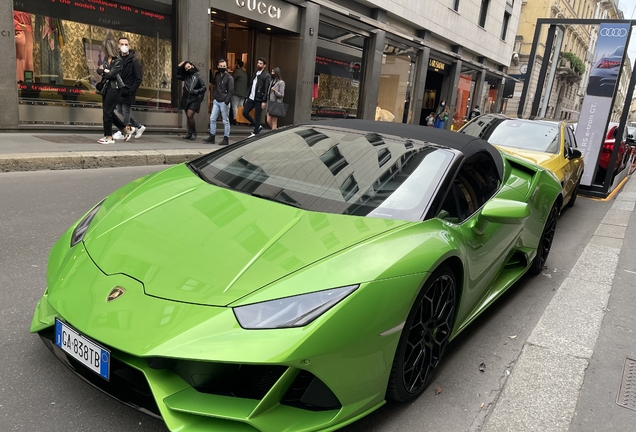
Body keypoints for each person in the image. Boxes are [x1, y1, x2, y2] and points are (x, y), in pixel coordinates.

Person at [112, 37, 146, 141]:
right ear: (118, 45)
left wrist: (131, 90)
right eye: (122, 44)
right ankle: (138, 126)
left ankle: (124, 131)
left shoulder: (134, 61)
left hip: (128, 90)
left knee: (126, 111)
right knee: (119, 110)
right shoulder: (117, 59)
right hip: (119, 89)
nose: (124, 46)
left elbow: (138, 78)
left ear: (129, 46)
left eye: (126, 44)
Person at [96, 37, 127, 144]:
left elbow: (111, 74)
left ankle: (109, 137)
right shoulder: (105, 59)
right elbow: (98, 70)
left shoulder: (118, 61)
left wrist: (104, 70)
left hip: (115, 88)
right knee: (107, 112)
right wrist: (105, 71)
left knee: (107, 113)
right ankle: (125, 129)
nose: (103, 50)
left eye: (104, 48)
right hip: (106, 87)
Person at [203, 58, 234, 145]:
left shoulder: (229, 77)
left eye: (224, 66)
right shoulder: (217, 75)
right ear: (218, 66)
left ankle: (226, 138)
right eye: (221, 66)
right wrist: (214, 98)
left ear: (226, 66)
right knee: (212, 118)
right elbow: (214, 85)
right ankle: (212, 136)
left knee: (225, 120)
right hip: (217, 100)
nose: (222, 67)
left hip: (224, 101)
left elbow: (231, 90)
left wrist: (226, 101)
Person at [176, 60, 206, 140]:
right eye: (186, 68)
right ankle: (190, 132)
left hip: (195, 98)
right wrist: (179, 66)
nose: (188, 69)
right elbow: (177, 75)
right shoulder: (186, 76)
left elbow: (204, 88)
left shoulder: (198, 77)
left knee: (190, 115)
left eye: (189, 67)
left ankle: (194, 132)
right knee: (188, 117)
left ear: (192, 66)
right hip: (186, 98)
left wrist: (196, 91)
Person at [243, 57, 271, 137]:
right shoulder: (255, 73)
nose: (258, 65)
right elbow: (251, 85)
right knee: (245, 112)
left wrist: (264, 101)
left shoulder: (266, 76)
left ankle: (255, 132)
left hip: (259, 98)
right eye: (258, 63)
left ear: (264, 65)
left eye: (260, 63)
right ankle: (257, 125)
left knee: (258, 115)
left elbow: (266, 89)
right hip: (251, 97)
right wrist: (247, 96)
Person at [231, 60, 248, 125]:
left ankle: (236, 120)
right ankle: (240, 120)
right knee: (240, 106)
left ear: (237, 64)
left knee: (234, 106)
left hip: (236, 92)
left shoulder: (237, 72)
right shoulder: (244, 72)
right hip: (243, 93)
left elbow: (232, 80)